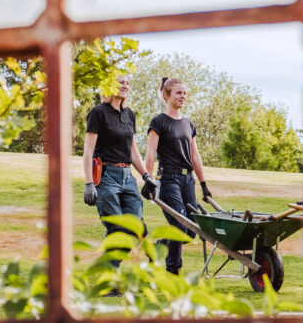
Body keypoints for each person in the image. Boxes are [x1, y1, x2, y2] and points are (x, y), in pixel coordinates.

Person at [82, 74, 157, 272]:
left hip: (127, 177)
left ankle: (107, 272)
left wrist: (146, 176)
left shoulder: (129, 114)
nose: (125, 86)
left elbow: (132, 150)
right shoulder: (98, 113)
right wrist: (89, 183)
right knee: (117, 229)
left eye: (128, 83)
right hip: (106, 176)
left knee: (135, 228)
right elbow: (88, 150)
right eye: (121, 82)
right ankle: (110, 277)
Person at [143, 77, 214, 275]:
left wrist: (203, 184)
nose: (183, 96)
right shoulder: (158, 122)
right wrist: (148, 179)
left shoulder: (188, 124)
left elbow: (195, 156)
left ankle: (158, 248)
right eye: (178, 93)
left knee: (191, 230)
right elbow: (150, 153)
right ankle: (173, 272)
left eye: (185, 93)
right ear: (167, 95)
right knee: (179, 225)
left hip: (187, 180)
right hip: (168, 180)